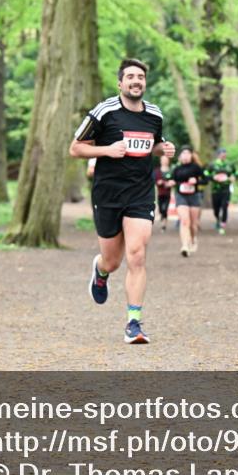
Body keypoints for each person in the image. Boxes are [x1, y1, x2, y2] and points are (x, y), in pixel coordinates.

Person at [69, 58, 175, 344]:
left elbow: (152, 145)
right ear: (120, 83)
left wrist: (162, 149)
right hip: (107, 194)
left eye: (140, 76)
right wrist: (107, 150)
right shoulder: (104, 111)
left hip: (140, 194)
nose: (136, 81)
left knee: (137, 254)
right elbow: (75, 148)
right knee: (113, 260)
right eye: (130, 76)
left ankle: (134, 323)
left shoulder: (154, 114)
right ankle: (101, 271)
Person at [170, 146, 208, 257]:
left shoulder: (196, 168)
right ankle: (185, 246)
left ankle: (193, 238)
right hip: (180, 196)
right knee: (185, 221)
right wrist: (171, 182)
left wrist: (196, 181)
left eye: (188, 153)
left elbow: (206, 180)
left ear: (191, 155)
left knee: (193, 225)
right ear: (180, 156)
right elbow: (171, 179)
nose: (185, 155)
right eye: (183, 153)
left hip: (193, 196)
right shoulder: (176, 169)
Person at [206, 148, 238, 234]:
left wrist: (234, 177)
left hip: (226, 189)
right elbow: (206, 173)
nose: (224, 155)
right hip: (215, 190)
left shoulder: (230, 164)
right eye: (222, 154)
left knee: (224, 206)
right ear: (218, 154)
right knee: (216, 208)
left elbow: (236, 173)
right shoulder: (212, 165)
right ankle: (217, 219)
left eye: (225, 154)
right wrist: (213, 177)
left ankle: (222, 224)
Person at [154, 155, 173, 233]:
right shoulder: (157, 171)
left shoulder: (171, 170)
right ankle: (162, 219)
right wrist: (158, 182)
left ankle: (164, 225)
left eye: (166, 159)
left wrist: (170, 183)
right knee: (161, 209)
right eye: (163, 159)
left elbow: (174, 180)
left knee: (165, 209)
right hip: (159, 193)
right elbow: (154, 180)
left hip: (167, 193)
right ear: (160, 161)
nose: (164, 161)